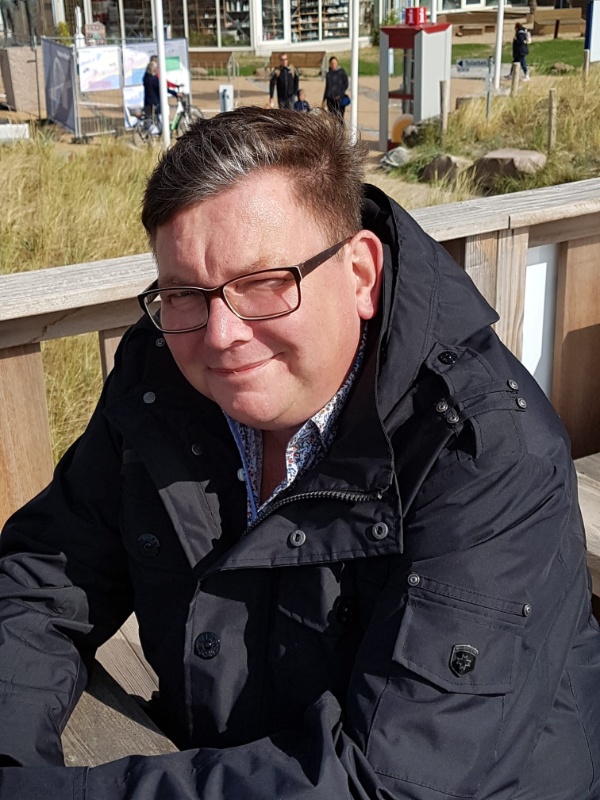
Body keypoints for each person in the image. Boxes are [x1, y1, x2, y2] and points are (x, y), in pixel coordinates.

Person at [0, 107, 599, 800]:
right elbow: (42, 577)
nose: (221, 334)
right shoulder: (160, 378)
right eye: (185, 293)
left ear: (360, 275)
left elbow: (390, 782)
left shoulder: (481, 451)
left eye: (264, 282)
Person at [142, 60, 178, 132]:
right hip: (155, 103)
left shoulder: (146, 77)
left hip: (147, 102)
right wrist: (175, 93)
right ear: (154, 70)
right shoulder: (154, 80)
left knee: (149, 119)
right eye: (156, 68)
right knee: (161, 118)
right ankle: (163, 131)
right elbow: (164, 88)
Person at [322, 56, 349, 120]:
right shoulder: (328, 74)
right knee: (332, 118)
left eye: (335, 63)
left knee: (340, 117)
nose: (334, 65)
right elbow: (327, 87)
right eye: (332, 63)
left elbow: (346, 84)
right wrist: (324, 99)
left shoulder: (341, 72)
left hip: (339, 99)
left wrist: (340, 94)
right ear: (330, 64)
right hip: (330, 99)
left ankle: (341, 126)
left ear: (337, 63)